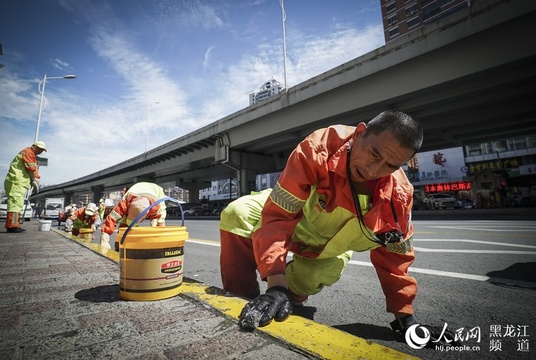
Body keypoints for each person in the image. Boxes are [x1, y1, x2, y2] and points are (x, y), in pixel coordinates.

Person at [219, 110, 457, 346]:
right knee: (237, 214)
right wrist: (275, 284)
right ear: (360, 133)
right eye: (374, 153)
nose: (373, 171)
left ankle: (291, 297)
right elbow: (279, 216)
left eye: (390, 165)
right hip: (294, 214)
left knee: (310, 279)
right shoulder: (318, 148)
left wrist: (406, 318)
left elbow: (396, 256)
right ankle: (242, 297)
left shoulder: (400, 195)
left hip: (330, 244)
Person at [99, 182, 167, 250]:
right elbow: (112, 218)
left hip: (155, 192)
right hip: (135, 190)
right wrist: (104, 238)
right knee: (124, 228)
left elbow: (160, 220)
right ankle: (119, 246)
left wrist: (160, 239)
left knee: (156, 226)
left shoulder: (156, 206)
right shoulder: (125, 203)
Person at [3, 141, 47, 233]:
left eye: (42, 150)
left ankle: (14, 225)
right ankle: (12, 226)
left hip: (18, 182)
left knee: (17, 204)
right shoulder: (28, 152)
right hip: (16, 182)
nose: (40, 151)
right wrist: (35, 179)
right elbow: (31, 168)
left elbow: (30, 169)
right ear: (34, 146)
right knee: (15, 205)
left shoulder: (30, 154)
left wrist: (32, 180)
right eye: (39, 149)